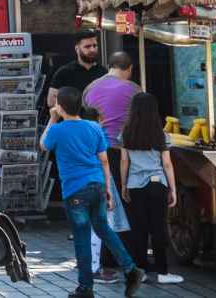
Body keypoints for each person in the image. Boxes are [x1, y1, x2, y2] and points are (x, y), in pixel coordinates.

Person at [42, 86, 143, 298]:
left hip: (75, 189)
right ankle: (130, 268)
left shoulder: (58, 130)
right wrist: (108, 189)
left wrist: (52, 119)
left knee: (82, 238)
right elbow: (104, 160)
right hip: (96, 184)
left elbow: (43, 144)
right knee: (104, 229)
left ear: (60, 107)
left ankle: (85, 286)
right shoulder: (94, 127)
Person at [83, 51, 140, 279]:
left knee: (103, 206)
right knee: (121, 207)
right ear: (129, 68)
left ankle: (103, 261)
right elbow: (140, 120)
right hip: (119, 153)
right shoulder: (134, 89)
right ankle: (114, 261)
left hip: (93, 151)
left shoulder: (90, 88)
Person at [119, 92, 182, 285]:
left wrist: (123, 185)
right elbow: (167, 163)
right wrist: (173, 189)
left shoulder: (125, 134)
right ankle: (163, 272)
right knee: (158, 227)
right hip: (157, 184)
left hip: (135, 185)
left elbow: (124, 162)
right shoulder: (161, 135)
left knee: (139, 229)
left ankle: (141, 271)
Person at [49, 29, 107, 110]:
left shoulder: (103, 73)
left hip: (97, 121)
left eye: (95, 45)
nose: (92, 50)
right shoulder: (64, 72)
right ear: (77, 49)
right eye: (87, 46)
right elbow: (51, 102)